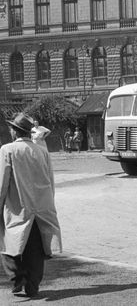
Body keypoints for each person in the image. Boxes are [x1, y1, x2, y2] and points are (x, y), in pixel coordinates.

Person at [0, 113, 62, 297]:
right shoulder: (42, 150)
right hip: (41, 206)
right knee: (35, 249)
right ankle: (33, 285)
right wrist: (49, 202)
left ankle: (18, 277)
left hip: (18, 206)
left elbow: (3, 182)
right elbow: (50, 179)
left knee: (7, 243)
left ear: (13, 131)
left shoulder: (8, 150)